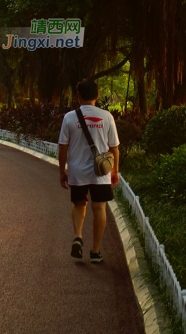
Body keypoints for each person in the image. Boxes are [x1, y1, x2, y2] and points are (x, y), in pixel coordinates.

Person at [58, 79, 119, 263]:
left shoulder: (69, 117)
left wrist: (63, 171)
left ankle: (78, 236)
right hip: (101, 172)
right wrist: (115, 171)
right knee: (99, 207)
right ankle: (95, 251)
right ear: (97, 96)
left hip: (77, 171)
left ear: (78, 96)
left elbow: (62, 147)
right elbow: (114, 148)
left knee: (79, 205)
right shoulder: (107, 116)